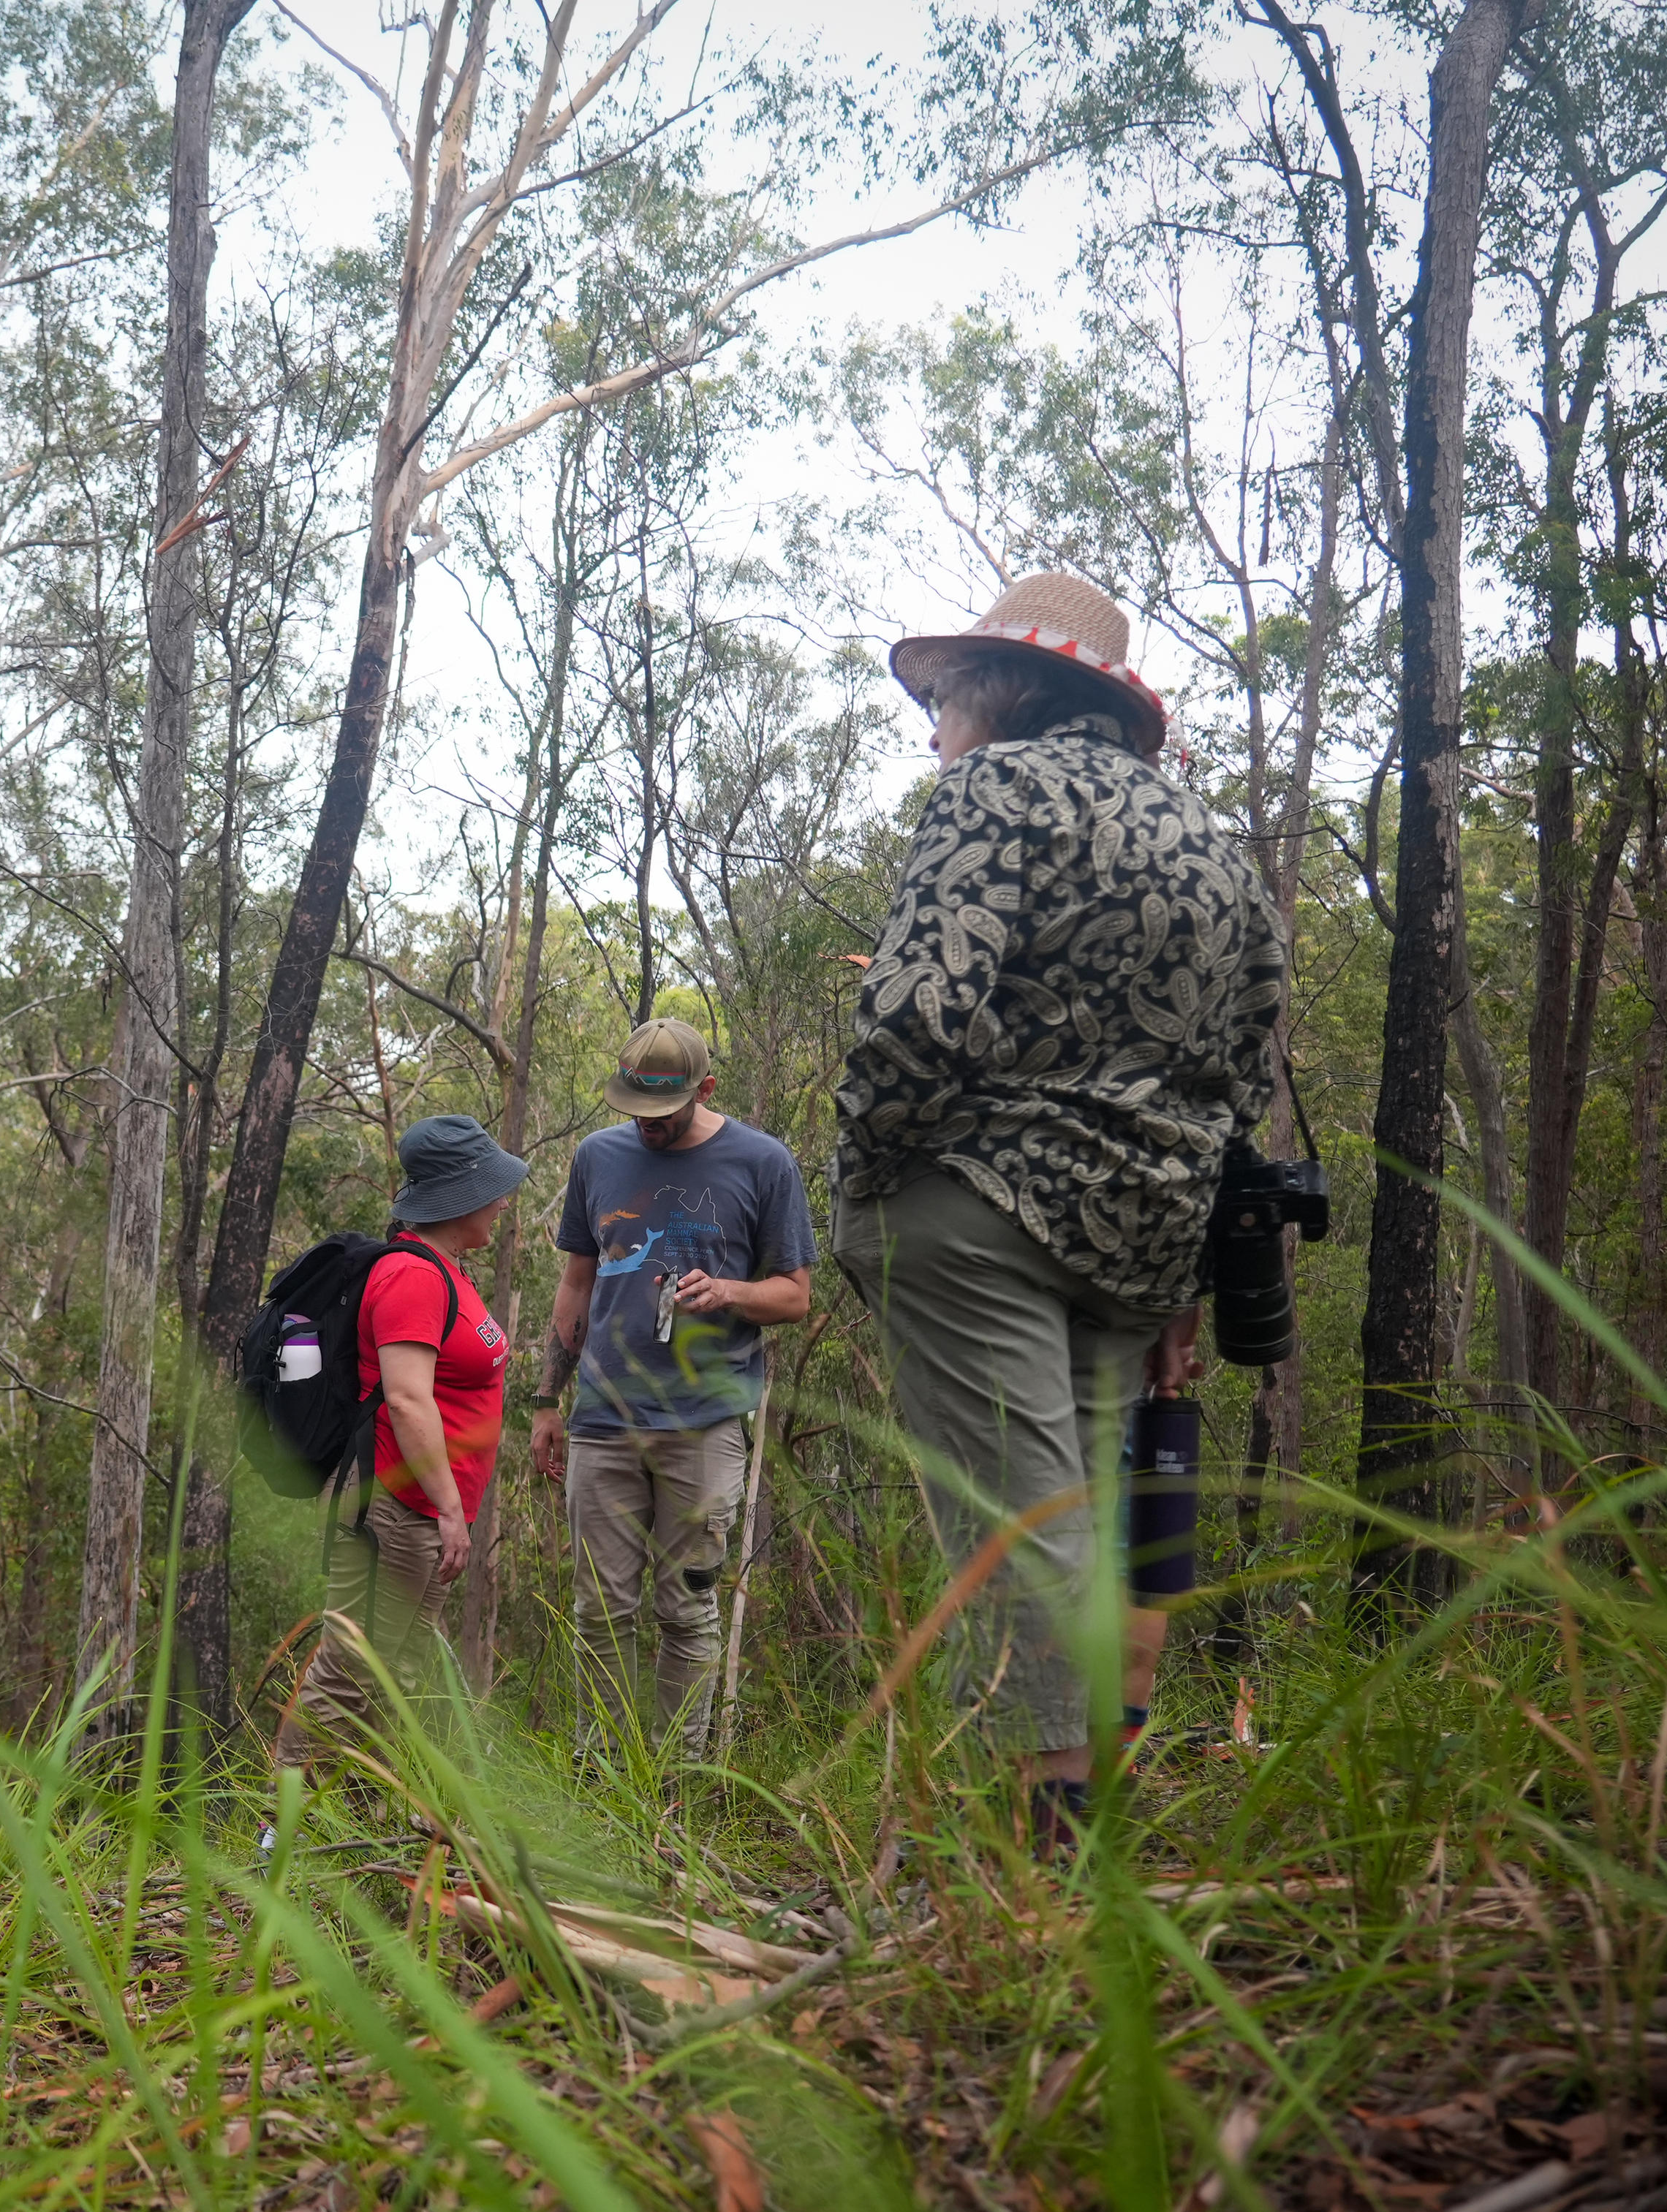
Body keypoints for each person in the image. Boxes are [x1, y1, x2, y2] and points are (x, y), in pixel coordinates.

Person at [829, 572, 1284, 1852]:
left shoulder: (994, 790)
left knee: (1021, 1528)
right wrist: (1182, 1274)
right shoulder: (1218, 851)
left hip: (976, 1210)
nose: (932, 729)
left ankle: (1058, 1848)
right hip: (1139, 1246)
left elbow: (915, 1012)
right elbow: (1236, 1081)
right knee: (1071, 1512)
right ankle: (1076, 1819)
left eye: (942, 701)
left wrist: (867, 1169)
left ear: (996, 692)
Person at [529, 1018, 813, 1756]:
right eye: (635, 1113)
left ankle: (677, 1773)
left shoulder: (762, 1162)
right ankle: (606, 1768)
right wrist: (543, 1401)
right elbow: (575, 1284)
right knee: (600, 1609)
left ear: (705, 1090)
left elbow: (793, 1296)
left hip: (703, 1419)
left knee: (685, 1608)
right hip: (601, 1418)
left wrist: (725, 1292)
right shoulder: (597, 1157)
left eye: (664, 1114)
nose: (646, 1129)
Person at [271, 1113, 523, 1774]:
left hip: (422, 1509)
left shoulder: (448, 1271)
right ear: (458, 1197)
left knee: (396, 1672)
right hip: (395, 1505)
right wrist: (446, 1507)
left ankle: (348, 1827)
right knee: (350, 1670)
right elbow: (408, 1399)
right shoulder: (412, 1276)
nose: (502, 1203)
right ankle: (279, 1841)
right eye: (492, 1190)